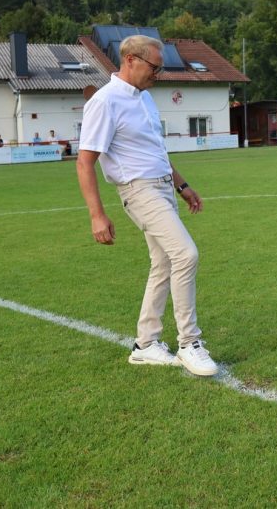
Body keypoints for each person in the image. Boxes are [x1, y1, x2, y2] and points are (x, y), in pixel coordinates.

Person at [76, 34, 218, 376]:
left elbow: (156, 152)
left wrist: (182, 185)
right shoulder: (105, 101)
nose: (158, 74)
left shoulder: (145, 99)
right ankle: (189, 343)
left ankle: (146, 344)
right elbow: (84, 162)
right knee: (186, 254)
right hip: (138, 191)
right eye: (155, 67)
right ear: (131, 60)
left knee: (164, 263)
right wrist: (97, 215)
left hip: (163, 187)